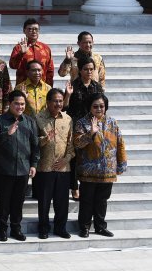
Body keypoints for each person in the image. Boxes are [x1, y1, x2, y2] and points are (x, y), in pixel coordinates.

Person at [73, 93, 127, 238]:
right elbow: (77, 144)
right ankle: (84, 227)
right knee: (86, 201)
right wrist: (90, 133)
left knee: (102, 201)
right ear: (90, 107)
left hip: (107, 171)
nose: (99, 109)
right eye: (95, 106)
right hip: (88, 172)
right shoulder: (82, 123)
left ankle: (100, 227)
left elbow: (120, 143)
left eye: (101, 106)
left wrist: (121, 163)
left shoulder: (112, 122)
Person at [0, 90, 39, 242]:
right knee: (3, 202)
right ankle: (2, 229)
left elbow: (35, 145)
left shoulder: (30, 122)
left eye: (22, 104)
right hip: (3, 170)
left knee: (18, 202)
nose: (20, 107)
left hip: (23, 169)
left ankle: (16, 229)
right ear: (9, 104)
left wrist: (34, 164)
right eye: (16, 103)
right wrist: (7, 134)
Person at [35, 88, 74, 239]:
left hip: (63, 168)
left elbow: (71, 143)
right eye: (55, 101)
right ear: (48, 102)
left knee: (62, 202)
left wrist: (67, 158)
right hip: (45, 167)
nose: (58, 104)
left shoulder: (68, 119)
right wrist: (45, 139)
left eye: (60, 101)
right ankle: (43, 228)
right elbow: (34, 142)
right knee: (44, 202)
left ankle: (60, 228)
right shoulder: (38, 118)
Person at [64, 57, 104, 201]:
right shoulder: (73, 85)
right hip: (76, 125)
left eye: (91, 69)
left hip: (93, 124)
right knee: (75, 158)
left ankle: (89, 184)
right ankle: (74, 188)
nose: (89, 72)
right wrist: (67, 95)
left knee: (92, 154)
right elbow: (65, 108)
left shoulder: (96, 86)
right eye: (86, 69)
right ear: (80, 70)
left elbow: (101, 106)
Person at [9, 18, 54, 86]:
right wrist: (21, 54)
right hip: (23, 88)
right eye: (30, 29)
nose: (33, 31)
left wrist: (49, 88)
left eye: (36, 29)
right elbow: (13, 65)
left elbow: (50, 70)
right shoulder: (18, 48)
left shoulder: (46, 48)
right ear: (24, 31)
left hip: (42, 88)